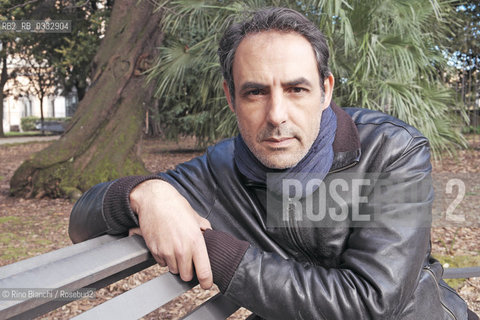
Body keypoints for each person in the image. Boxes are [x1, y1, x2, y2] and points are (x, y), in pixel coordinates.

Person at [69, 7, 476, 320]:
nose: (277, 114)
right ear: (231, 98)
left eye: (297, 89)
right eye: (255, 93)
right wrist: (144, 194)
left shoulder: (391, 151)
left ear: (324, 90)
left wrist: (222, 255)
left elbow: (372, 303)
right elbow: (81, 223)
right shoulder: (219, 172)